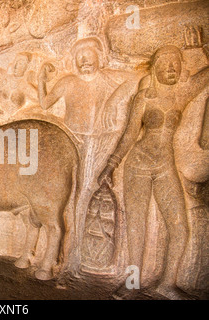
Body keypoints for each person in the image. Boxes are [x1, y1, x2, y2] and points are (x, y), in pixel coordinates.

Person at [97, 45, 209, 299]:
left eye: (175, 64)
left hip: (164, 165)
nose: (171, 68)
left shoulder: (183, 92)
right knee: (136, 227)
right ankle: (133, 282)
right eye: (165, 63)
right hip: (138, 164)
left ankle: (167, 283)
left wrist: (201, 49)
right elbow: (129, 135)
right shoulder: (144, 97)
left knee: (179, 228)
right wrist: (110, 165)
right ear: (155, 67)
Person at [37, 37, 138, 272]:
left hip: (97, 144)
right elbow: (44, 104)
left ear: (99, 57)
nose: (84, 60)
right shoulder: (68, 81)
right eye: (79, 56)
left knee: (83, 195)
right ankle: (62, 255)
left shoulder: (108, 77)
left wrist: (115, 98)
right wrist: (41, 80)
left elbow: (137, 78)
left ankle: (72, 259)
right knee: (65, 195)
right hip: (70, 141)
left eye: (89, 54)